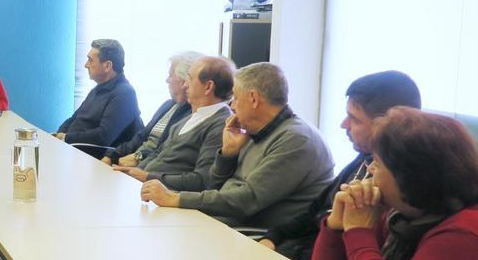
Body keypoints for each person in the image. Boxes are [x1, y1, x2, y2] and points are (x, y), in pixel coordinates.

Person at [311, 108, 478, 260]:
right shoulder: (403, 216)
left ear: (409, 175)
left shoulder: (469, 233)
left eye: (378, 163)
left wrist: (359, 232)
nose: (370, 169)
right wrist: (337, 225)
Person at [140, 62, 333, 228]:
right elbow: (215, 187)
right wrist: (228, 154)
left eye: (236, 98)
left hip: (260, 236)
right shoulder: (254, 131)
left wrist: (177, 198)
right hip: (231, 225)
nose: (231, 106)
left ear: (254, 99)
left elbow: (246, 200)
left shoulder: (296, 140)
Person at [260, 71, 421, 260]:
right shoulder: (362, 158)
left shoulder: (390, 186)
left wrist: (285, 256)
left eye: (355, 119)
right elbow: (314, 212)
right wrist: (273, 238)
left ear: (386, 125)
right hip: (297, 259)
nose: (343, 125)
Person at [114, 56, 233, 191]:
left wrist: (147, 176)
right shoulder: (190, 117)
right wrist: (133, 173)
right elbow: (157, 152)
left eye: (190, 79)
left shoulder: (220, 125)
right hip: (146, 187)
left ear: (208, 87)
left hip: (167, 197)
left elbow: (202, 180)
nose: (185, 84)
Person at [101, 51, 198, 164]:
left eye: (171, 75)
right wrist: (111, 156)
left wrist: (137, 157)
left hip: (148, 167)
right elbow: (140, 137)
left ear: (184, 80)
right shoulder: (168, 105)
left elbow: (166, 150)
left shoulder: (192, 113)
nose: (167, 80)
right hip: (131, 161)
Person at [55, 39, 143, 151]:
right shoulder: (97, 89)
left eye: (90, 60)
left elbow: (103, 136)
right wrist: (58, 134)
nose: (86, 65)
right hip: (73, 150)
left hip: (93, 158)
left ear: (107, 66)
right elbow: (74, 119)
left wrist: (66, 138)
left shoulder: (124, 94)